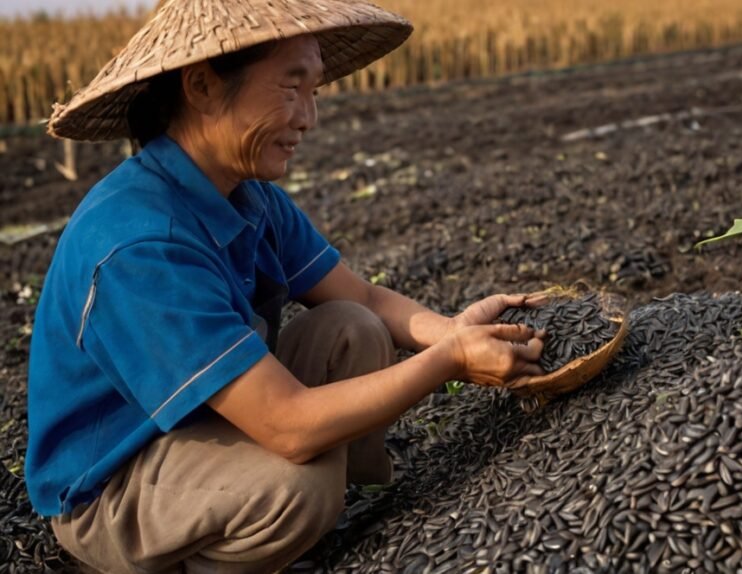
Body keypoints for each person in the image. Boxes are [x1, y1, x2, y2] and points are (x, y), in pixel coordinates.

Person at [26, 1, 546, 571]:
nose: (308, 117)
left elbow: (363, 297)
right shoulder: (139, 246)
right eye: (290, 88)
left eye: (314, 90)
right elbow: (288, 425)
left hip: (209, 424)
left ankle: (338, 517)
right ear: (201, 86)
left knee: (354, 327)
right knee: (301, 480)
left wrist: (453, 329)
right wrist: (449, 361)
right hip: (116, 483)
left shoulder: (247, 194)